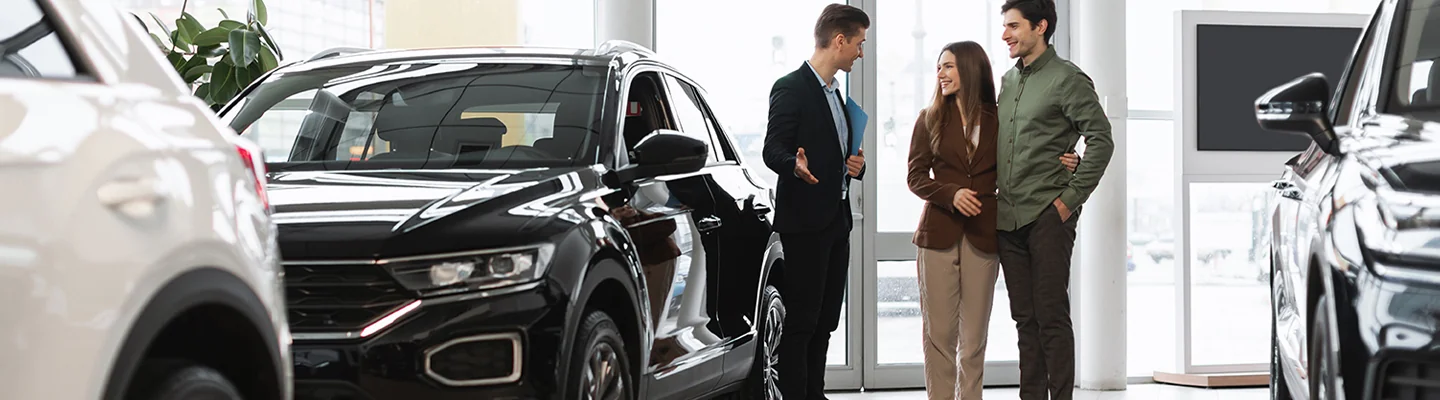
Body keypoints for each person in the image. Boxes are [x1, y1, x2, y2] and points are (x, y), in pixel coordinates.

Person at [907, 41, 1078, 400]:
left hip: (984, 238)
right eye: (939, 67)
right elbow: (916, 176)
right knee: (939, 338)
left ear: (970, 70)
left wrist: (1068, 160)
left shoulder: (999, 119)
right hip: (937, 236)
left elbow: (1027, 157)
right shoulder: (929, 118)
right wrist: (950, 194)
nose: (940, 74)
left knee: (973, 341)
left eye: (949, 66)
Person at [994, 0, 1114, 399]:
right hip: (1007, 220)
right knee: (1024, 321)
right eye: (1004, 26)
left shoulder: (1068, 79)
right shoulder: (1009, 81)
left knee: (1051, 318)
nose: (1005, 34)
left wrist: (1070, 198)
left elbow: (1101, 139)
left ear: (1040, 26)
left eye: (1013, 26)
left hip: (1048, 214)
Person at [761, 3, 869, 398]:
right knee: (802, 320)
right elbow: (773, 149)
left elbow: (842, 155)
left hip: (837, 222)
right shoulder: (791, 87)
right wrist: (794, 165)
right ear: (839, 41)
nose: (860, 52)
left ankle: (814, 393)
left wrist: (857, 165)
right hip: (804, 223)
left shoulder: (836, 95)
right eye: (859, 44)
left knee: (825, 320)